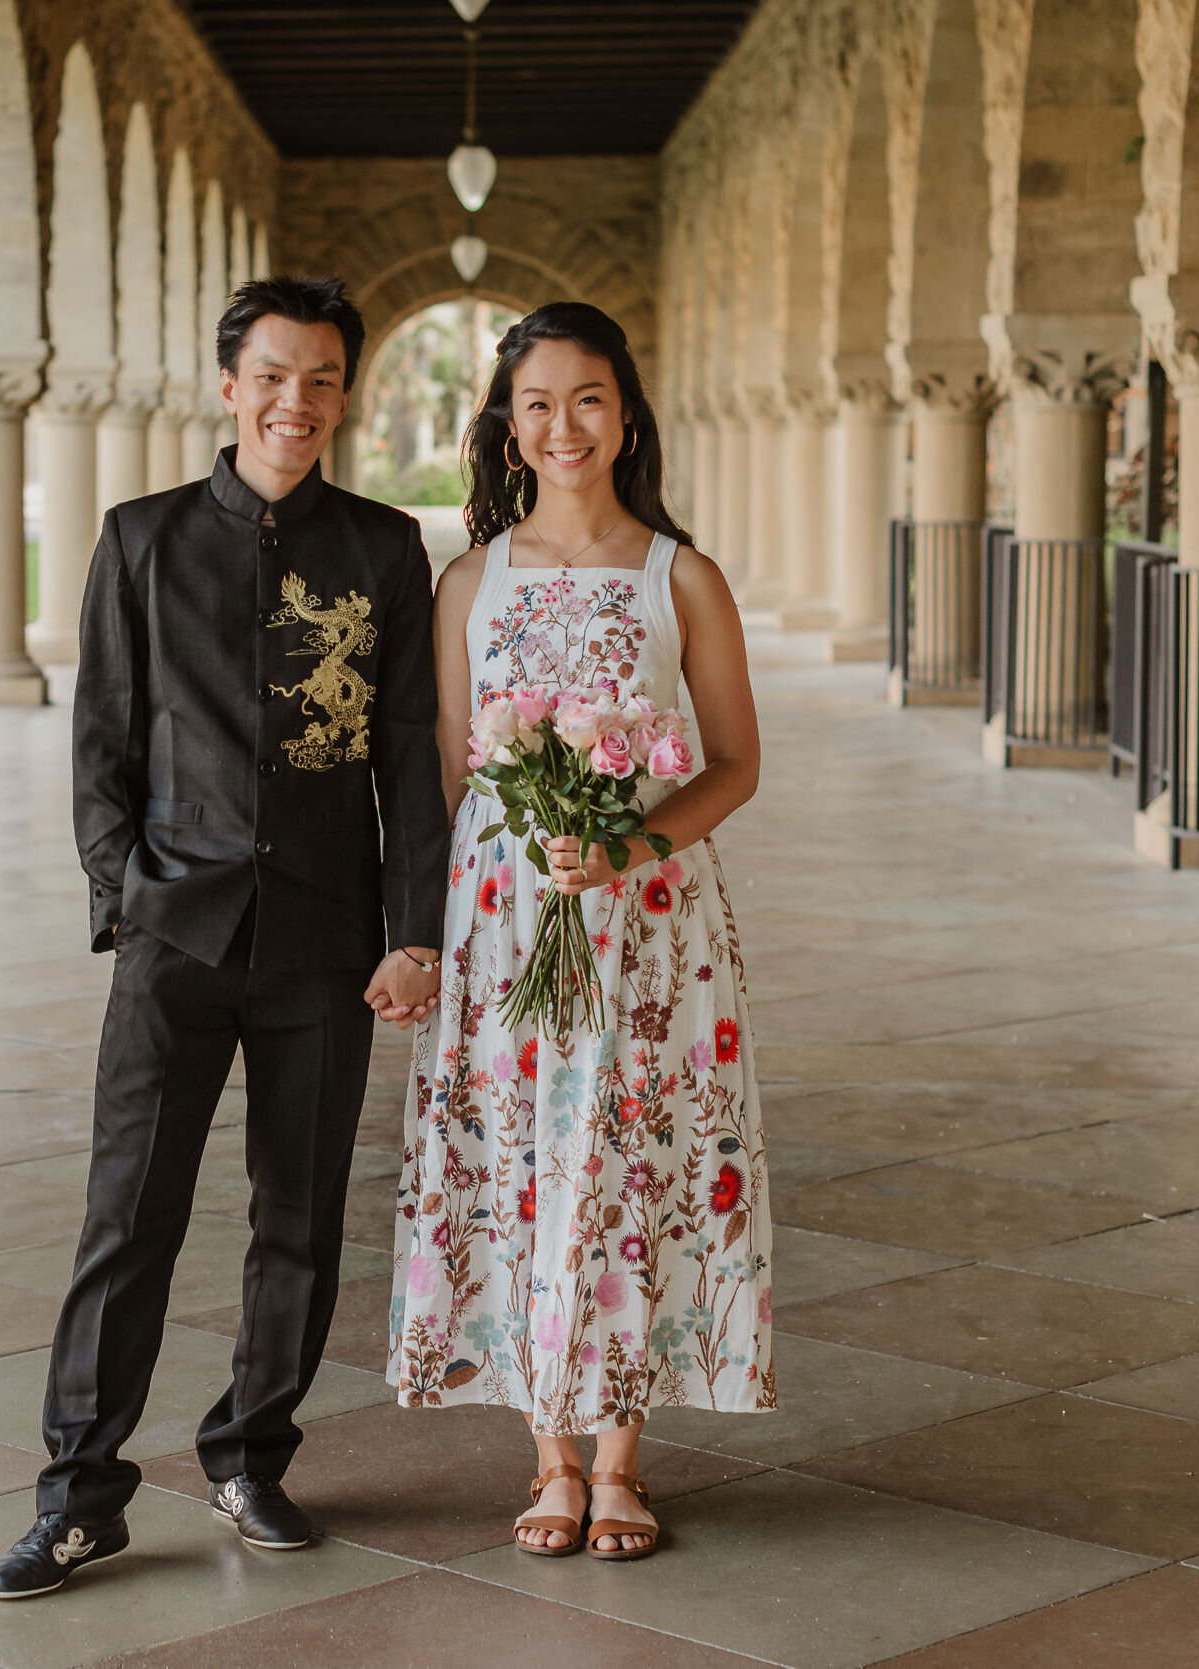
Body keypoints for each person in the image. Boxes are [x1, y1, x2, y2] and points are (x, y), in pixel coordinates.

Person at [0, 276, 450, 1600]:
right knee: (128, 1215)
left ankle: (252, 1452)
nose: (294, 402)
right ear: (229, 384)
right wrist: (124, 894)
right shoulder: (141, 539)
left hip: (326, 941)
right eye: (272, 375)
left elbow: (410, 755)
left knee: (298, 1222)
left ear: (344, 393)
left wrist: (412, 929)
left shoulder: (380, 550)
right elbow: (101, 746)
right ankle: (79, 1493)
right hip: (172, 939)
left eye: (320, 379)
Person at [385, 301, 771, 1561]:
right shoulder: (467, 582)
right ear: (506, 425)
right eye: (536, 403)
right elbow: (452, 765)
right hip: (504, 916)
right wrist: (453, 922)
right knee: (520, 1155)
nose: (564, 426)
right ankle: (547, 1453)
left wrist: (625, 846)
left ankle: (621, 1460)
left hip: (649, 923)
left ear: (627, 414)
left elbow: (731, 765)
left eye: (589, 398)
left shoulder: (681, 575)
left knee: (629, 1157)